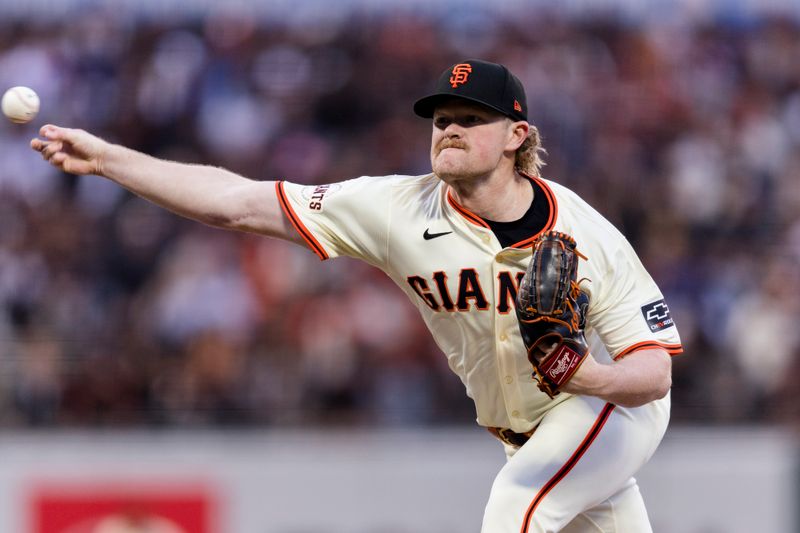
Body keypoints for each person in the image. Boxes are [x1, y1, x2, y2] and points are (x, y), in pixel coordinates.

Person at [32, 59, 683, 532]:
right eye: (440, 118)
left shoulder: (585, 233)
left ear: (517, 135)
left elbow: (654, 373)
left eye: (469, 119)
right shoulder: (397, 208)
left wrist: (585, 372)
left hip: (608, 412)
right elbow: (237, 204)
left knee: (516, 504)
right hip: (523, 429)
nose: (448, 129)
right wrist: (111, 159)